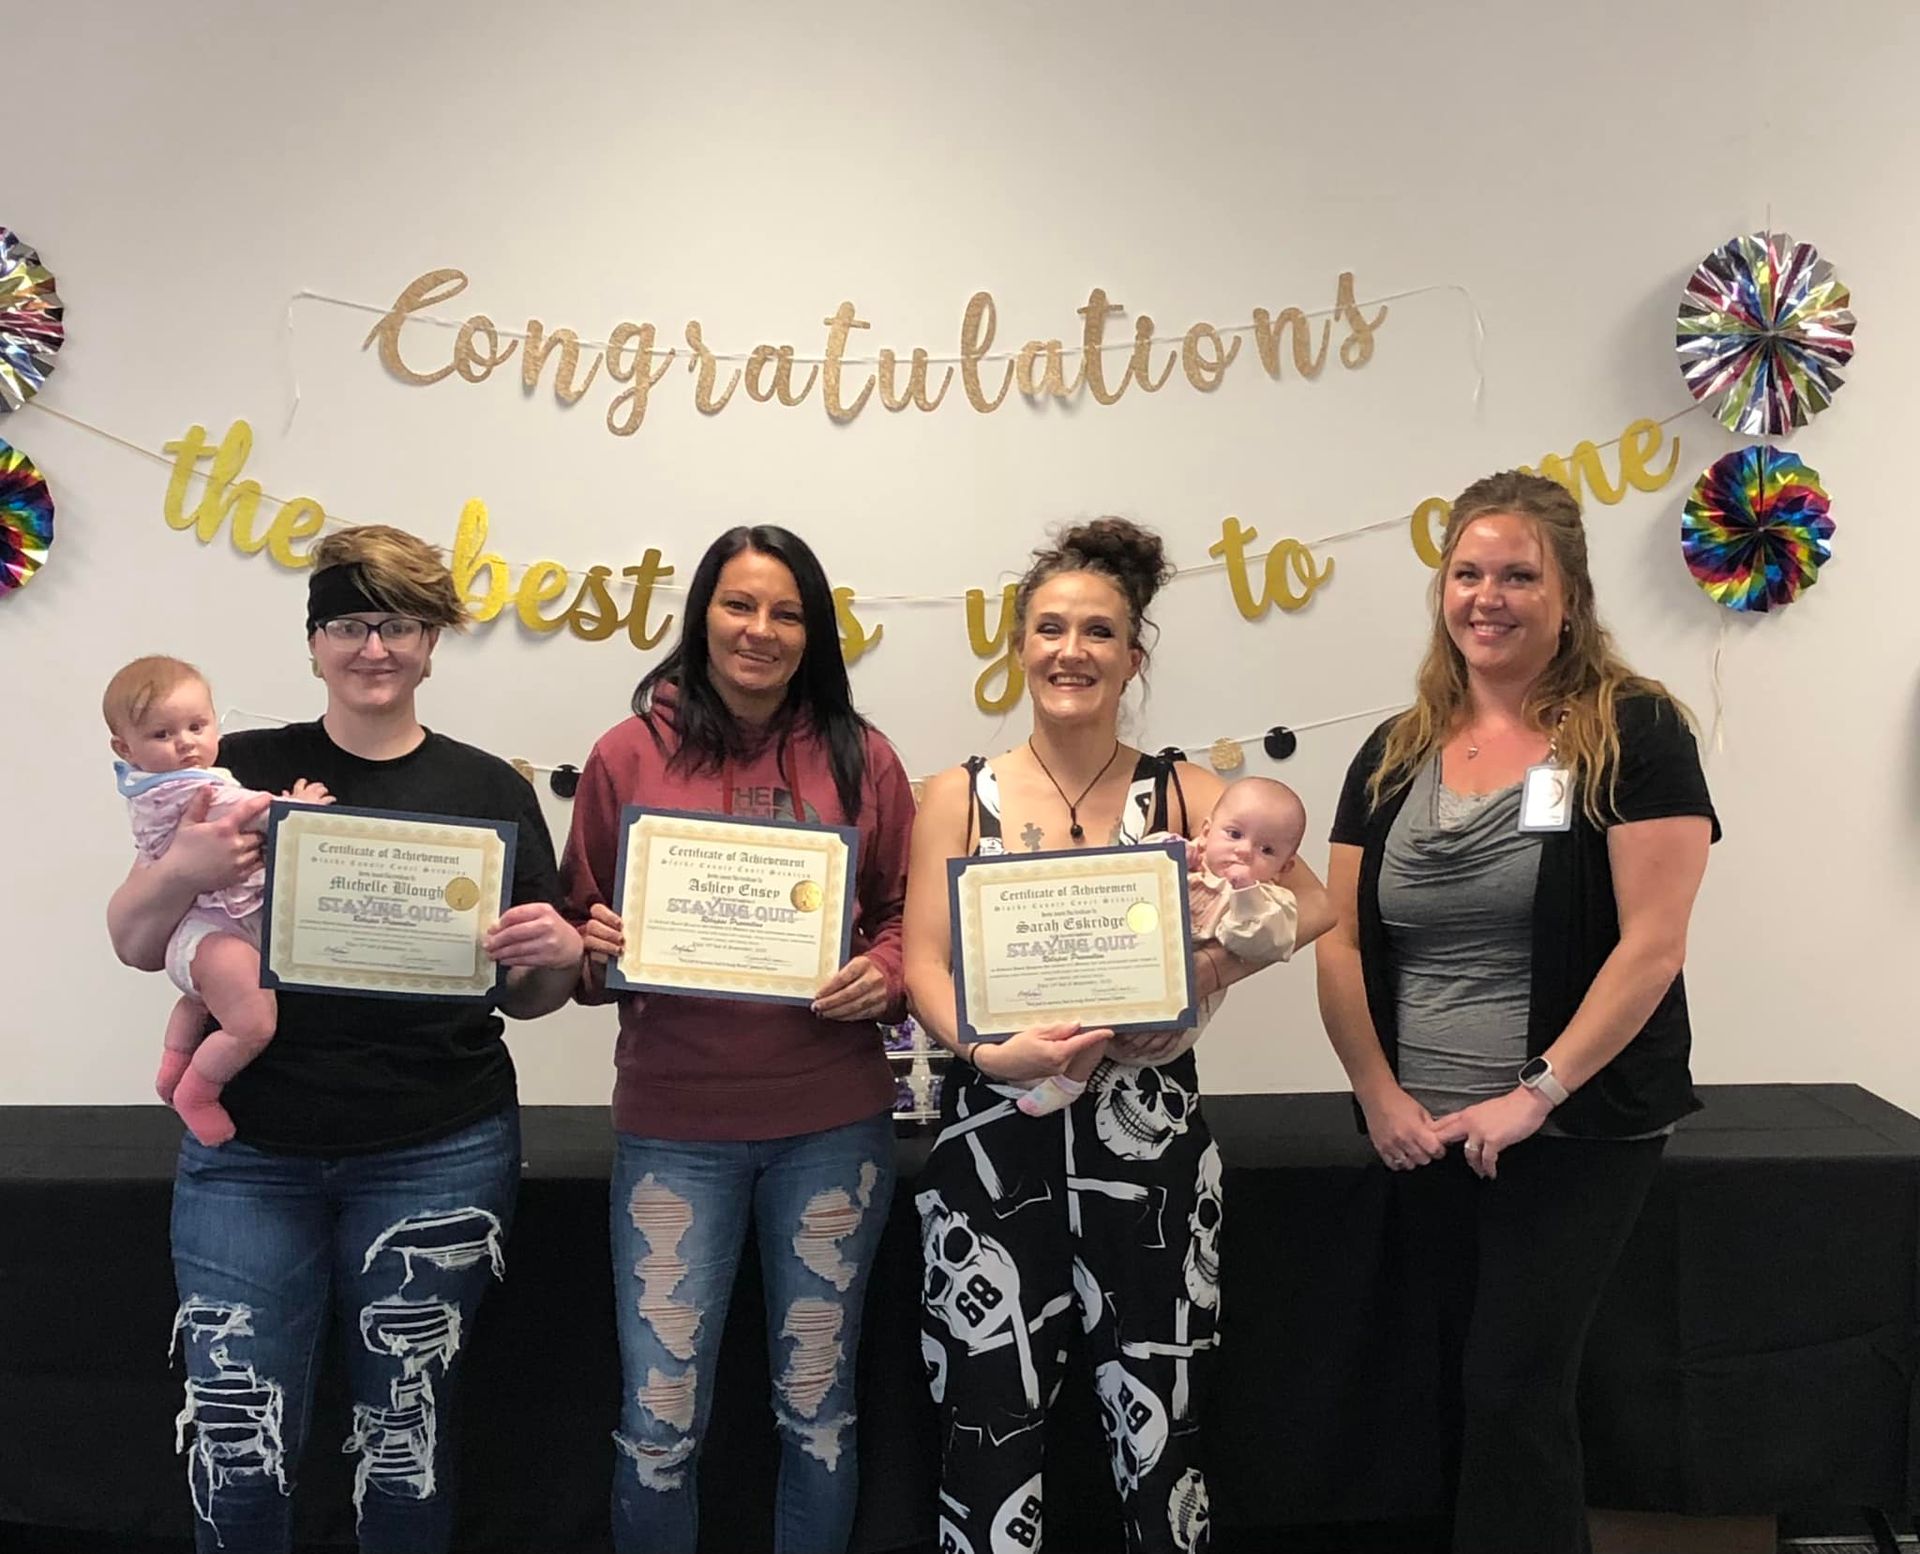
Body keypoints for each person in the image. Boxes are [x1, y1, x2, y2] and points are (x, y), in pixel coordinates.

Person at [105, 525, 583, 1554]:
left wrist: (557, 949)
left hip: (437, 1147)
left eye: (400, 624)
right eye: (352, 624)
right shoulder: (232, 770)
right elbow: (139, 944)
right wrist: (184, 863)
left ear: (432, 642)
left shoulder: (489, 790)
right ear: (314, 640)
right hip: (252, 1155)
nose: (376, 647)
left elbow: (532, 996)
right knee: (237, 1442)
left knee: (404, 1443)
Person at [903, 517, 1333, 1554]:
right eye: (1050, 628)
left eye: (1099, 632)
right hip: (995, 1131)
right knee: (987, 1413)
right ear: (1017, 647)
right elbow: (922, 965)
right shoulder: (960, 794)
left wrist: (1214, 967)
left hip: (1151, 1137)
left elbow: (1316, 899)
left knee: (1162, 1407)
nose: (1072, 651)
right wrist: (985, 1050)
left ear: (1133, 657)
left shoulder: (1186, 788)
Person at [1315, 470, 1718, 1554]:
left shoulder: (1633, 732)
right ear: (1442, 590)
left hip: (1573, 1129)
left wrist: (1536, 1094)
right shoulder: (1396, 751)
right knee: (1459, 1390)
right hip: (1425, 1135)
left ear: (1570, 597)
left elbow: (1654, 943)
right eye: (1468, 573)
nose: (1488, 596)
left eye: (1519, 575)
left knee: (1512, 1390)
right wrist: (1378, 1093)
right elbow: (1341, 935)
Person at [560, 524, 916, 1554]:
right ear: (702, 614)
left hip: (832, 1127)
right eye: (739, 605)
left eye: (787, 612)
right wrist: (597, 943)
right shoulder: (628, 753)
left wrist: (883, 975)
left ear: (814, 633)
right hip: (674, 1128)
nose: (759, 630)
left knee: (818, 1412)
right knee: (659, 1421)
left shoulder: (865, 755)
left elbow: (902, 921)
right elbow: (576, 935)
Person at [104, 654, 333, 1145]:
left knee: (203, 1000)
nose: (186, 743)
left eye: (197, 725)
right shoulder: (188, 786)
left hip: (216, 926)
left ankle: (171, 1070)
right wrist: (300, 808)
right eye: (162, 735)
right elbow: (254, 813)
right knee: (251, 1023)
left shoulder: (156, 786)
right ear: (126, 747)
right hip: (217, 929)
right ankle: (197, 1093)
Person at [1019, 774, 1307, 1115]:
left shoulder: (1269, 902)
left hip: (1171, 1021)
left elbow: (1256, 943)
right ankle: (1042, 1063)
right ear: (1205, 832)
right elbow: (1124, 880)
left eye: (1266, 850)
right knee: (1078, 989)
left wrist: (1246, 895)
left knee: (1099, 1016)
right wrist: (1165, 854)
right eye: (1234, 834)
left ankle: (1070, 1081)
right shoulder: (1185, 861)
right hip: (1131, 972)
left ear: (1283, 867)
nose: (1244, 851)